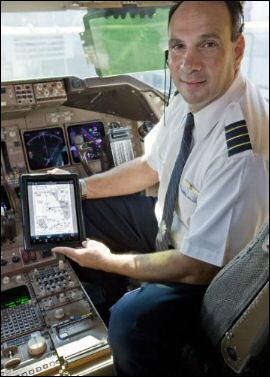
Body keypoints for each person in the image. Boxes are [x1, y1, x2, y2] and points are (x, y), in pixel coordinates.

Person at [51, 1, 269, 375]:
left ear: (238, 49)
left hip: (211, 273)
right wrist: (78, 188)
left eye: (208, 44)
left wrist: (109, 261)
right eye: (179, 46)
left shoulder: (240, 150)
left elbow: (197, 267)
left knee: (129, 323)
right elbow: (150, 166)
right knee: (77, 209)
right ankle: (108, 294)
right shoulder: (191, 97)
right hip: (171, 227)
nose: (188, 64)